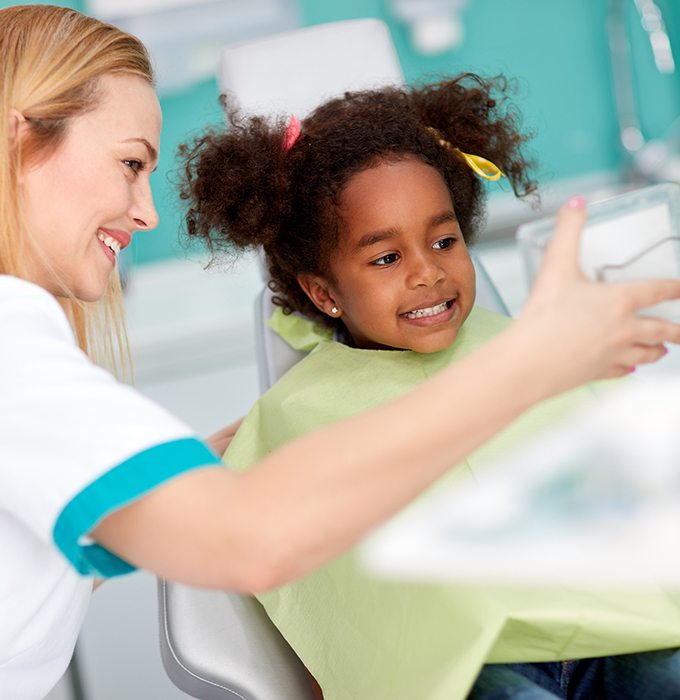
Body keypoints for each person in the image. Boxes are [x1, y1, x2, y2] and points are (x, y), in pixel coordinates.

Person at [3, 6, 680, 700]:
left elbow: (42, 557)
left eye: (445, 240)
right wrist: (530, 364)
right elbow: (243, 538)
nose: (146, 213)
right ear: (21, 141)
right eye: (128, 163)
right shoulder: (13, 351)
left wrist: (194, 473)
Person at [180, 75, 680, 699]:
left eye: (444, 241)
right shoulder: (298, 413)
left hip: (613, 629)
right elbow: (325, 595)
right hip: (467, 668)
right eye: (386, 258)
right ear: (324, 293)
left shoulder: (528, 348)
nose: (428, 272)